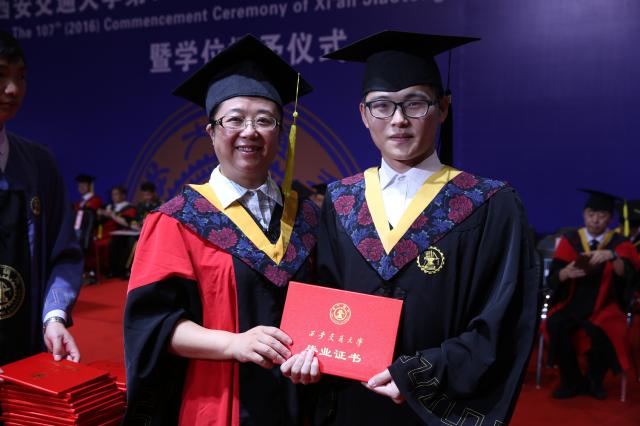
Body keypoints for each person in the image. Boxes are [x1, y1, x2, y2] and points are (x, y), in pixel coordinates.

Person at [313, 31, 539, 425]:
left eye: (415, 104)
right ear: (364, 114)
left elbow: (504, 320)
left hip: (436, 404)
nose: (398, 120)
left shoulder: (488, 202)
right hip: (353, 399)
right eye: (382, 106)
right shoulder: (340, 200)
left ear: (443, 107)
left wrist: (419, 375)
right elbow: (322, 299)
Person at [123, 34, 319, 425]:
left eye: (265, 120)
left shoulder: (308, 217)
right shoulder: (178, 221)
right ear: (211, 131)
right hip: (219, 400)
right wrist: (233, 343)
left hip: (300, 400)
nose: (250, 131)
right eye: (234, 119)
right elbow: (154, 325)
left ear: (281, 131)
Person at [0, 30, 82, 366]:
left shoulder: (38, 164)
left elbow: (63, 254)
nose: (12, 89)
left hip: (25, 351)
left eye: (20, 77)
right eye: (1, 75)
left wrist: (54, 316)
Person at [546, 190, 640, 399]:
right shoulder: (570, 240)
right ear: (584, 215)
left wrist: (612, 255)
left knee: (609, 329)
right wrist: (565, 273)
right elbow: (552, 279)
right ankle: (571, 380)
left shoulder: (619, 244)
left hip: (606, 304)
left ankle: (594, 381)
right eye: (591, 214)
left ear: (609, 218)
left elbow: (629, 276)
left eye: (601, 215)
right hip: (572, 302)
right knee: (555, 323)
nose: (595, 220)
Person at [96, 184, 137, 278]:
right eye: (113, 194)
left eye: (116, 194)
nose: (114, 197)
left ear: (123, 195)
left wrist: (112, 215)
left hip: (121, 235)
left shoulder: (129, 208)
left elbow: (128, 223)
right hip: (104, 234)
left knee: (113, 243)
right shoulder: (109, 207)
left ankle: (116, 270)